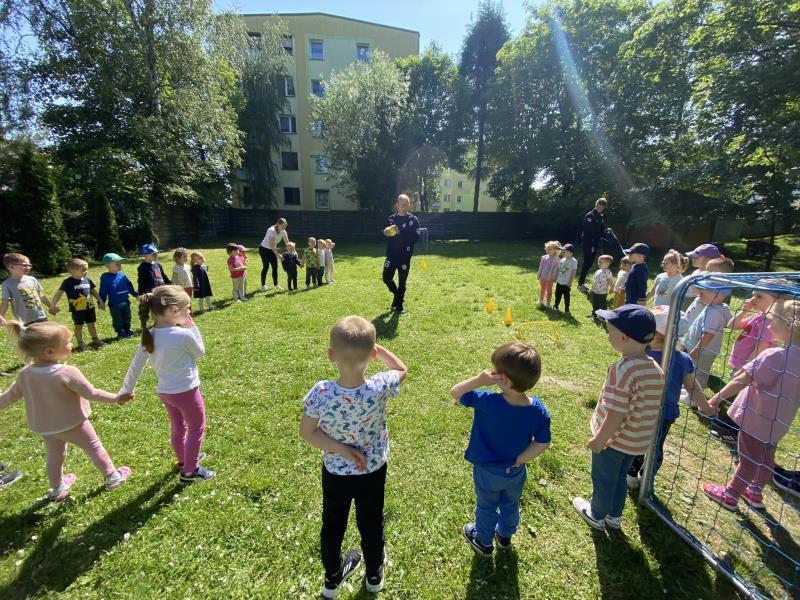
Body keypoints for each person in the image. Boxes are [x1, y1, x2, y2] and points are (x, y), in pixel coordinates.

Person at [299, 316, 407, 598]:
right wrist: (379, 350)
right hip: (373, 470)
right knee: (371, 521)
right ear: (372, 355)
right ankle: (374, 574)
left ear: (331, 356)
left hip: (336, 472)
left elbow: (307, 432)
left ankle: (332, 579)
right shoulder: (380, 386)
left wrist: (342, 450)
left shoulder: (321, 392)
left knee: (333, 523)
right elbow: (401, 368)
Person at [0, 320, 131, 501]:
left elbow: (9, 397)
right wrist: (116, 398)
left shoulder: (25, 373)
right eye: (67, 342)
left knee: (55, 456)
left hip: (47, 428)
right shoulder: (67, 372)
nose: (71, 345)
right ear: (49, 351)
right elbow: (91, 393)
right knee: (93, 447)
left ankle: (57, 488)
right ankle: (112, 476)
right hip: (75, 423)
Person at [450, 342, 551, 557]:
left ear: (502, 379)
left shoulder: (487, 401)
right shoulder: (538, 409)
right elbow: (543, 442)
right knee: (510, 504)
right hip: (515, 471)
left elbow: (456, 392)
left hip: (487, 471)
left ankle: (483, 541)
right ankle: (505, 536)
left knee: (486, 506)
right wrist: (521, 459)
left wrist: (479, 379)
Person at [572, 305, 665, 531]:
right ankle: (614, 516)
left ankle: (596, 514)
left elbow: (616, 412)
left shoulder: (622, 370)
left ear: (624, 337)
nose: (608, 336)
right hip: (636, 442)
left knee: (604, 479)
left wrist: (600, 439)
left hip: (613, 441)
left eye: (610, 332)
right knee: (620, 476)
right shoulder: (655, 368)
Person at [704, 298, 800, 511]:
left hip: (755, 418)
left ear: (787, 325)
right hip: (779, 423)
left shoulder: (773, 355)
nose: (769, 324)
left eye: (773, 319)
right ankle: (755, 491)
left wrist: (715, 399)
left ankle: (730, 495)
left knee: (747, 459)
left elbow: (741, 379)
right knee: (766, 457)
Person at [119, 286, 214, 482]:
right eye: (187, 308)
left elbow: (135, 366)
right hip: (187, 392)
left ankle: (185, 459)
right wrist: (193, 328)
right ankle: (190, 471)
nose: (189, 312)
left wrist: (126, 390)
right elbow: (200, 353)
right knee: (197, 427)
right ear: (173, 310)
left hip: (166, 393)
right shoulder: (183, 335)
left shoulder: (149, 334)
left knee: (178, 427)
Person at [626, 306, 710, 489]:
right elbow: (693, 387)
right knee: (656, 445)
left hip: (640, 412)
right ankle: (647, 477)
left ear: (652, 334)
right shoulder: (683, 359)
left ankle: (632, 475)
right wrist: (706, 406)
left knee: (637, 443)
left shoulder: (640, 356)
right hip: (666, 414)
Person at [681, 281, 733, 391]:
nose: (700, 294)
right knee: (693, 372)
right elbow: (731, 324)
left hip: (702, 351)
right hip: (703, 350)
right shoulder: (722, 307)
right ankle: (690, 392)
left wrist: (696, 351)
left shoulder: (713, 313)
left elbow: (708, 335)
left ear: (716, 295)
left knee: (698, 375)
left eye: (703, 293)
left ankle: (694, 396)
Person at [727, 279, 783, 376]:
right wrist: (744, 311)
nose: (752, 299)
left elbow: (760, 349)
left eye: (759, 296)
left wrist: (745, 371)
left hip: (749, 369)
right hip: (742, 366)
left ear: (776, 300)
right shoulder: (759, 315)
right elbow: (731, 326)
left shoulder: (768, 322)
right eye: (753, 295)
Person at [50, 258, 106, 352]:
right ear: (72, 271)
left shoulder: (88, 280)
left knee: (91, 324)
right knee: (78, 326)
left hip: (90, 308)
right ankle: (81, 343)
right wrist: (53, 305)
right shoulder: (67, 282)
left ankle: (95, 339)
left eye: (86, 269)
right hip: (77, 309)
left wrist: (100, 301)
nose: (86, 272)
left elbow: (94, 292)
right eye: (83, 270)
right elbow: (59, 294)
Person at [382, 194, 420, 314]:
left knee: (402, 281)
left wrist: (400, 232)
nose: (404, 206)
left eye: (406, 204)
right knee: (386, 278)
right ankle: (397, 295)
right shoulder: (391, 219)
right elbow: (384, 232)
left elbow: (416, 237)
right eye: (402, 204)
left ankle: (399, 305)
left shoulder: (413, 220)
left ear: (409, 205)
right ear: (397, 205)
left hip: (405, 256)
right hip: (391, 255)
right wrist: (384, 232)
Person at [0, 253, 58, 326]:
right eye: (24, 265)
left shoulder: (32, 279)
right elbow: (5, 302)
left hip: (40, 317)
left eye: (29, 265)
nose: (28, 267)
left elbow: (41, 296)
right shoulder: (7, 284)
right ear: (11, 267)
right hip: (24, 321)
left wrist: (51, 306)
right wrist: (1, 317)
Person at [98, 252, 137, 339]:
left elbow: (129, 286)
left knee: (127, 318)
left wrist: (135, 295)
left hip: (125, 302)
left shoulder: (122, 275)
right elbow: (103, 291)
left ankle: (127, 330)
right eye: (117, 264)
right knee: (118, 320)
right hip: (115, 304)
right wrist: (101, 302)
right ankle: (120, 333)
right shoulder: (105, 277)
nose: (120, 265)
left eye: (120, 263)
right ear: (107, 265)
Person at [578, 197, 608, 293]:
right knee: (587, 262)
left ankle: (582, 283)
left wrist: (606, 233)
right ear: (596, 204)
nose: (600, 208)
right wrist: (598, 236)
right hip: (588, 243)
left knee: (590, 263)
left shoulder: (601, 216)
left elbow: (601, 229)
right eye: (599, 206)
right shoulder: (589, 216)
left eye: (602, 207)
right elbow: (588, 231)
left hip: (595, 243)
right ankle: (580, 284)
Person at [259, 218, 289, 291]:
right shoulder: (271, 230)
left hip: (272, 249)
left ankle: (276, 285)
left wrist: (292, 251)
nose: (284, 228)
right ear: (278, 224)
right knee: (266, 266)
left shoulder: (283, 231)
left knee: (275, 267)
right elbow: (271, 245)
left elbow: (287, 243)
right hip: (264, 249)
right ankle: (263, 285)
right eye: (282, 226)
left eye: (285, 226)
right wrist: (278, 255)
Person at [553, 244, 577, 314]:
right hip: (559, 282)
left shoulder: (573, 261)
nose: (562, 252)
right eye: (563, 251)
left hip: (566, 283)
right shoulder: (562, 260)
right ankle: (556, 306)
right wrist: (555, 277)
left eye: (564, 251)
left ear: (571, 253)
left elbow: (573, 272)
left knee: (566, 296)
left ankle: (567, 308)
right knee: (557, 295)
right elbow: (558, 269)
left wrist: (570, 282)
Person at [536, 241, 561, 308]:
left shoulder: (556, 258)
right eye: (547, 249)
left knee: (549, 290)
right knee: (542, 289)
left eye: (550, 249)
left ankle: (548, 303)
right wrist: (538, 275)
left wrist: (553, 277)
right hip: (542, 277)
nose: (548, 250)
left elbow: (556, 268)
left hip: (550, 278)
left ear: (555, 250)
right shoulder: (544, 257)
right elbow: (540, 267)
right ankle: (541, 300)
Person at [589, 255, 614, 319]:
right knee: (595, 303)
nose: (599, 263)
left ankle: (602, 316)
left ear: (608, 263)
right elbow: (594, 281)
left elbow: (611, 281)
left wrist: (612, 288)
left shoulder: (608, 273)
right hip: (595, 291)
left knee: (602, 304)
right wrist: (591, 288)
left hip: (602, 292)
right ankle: (594, 314)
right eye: (598, 262)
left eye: (601, 262)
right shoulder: (598, 271)